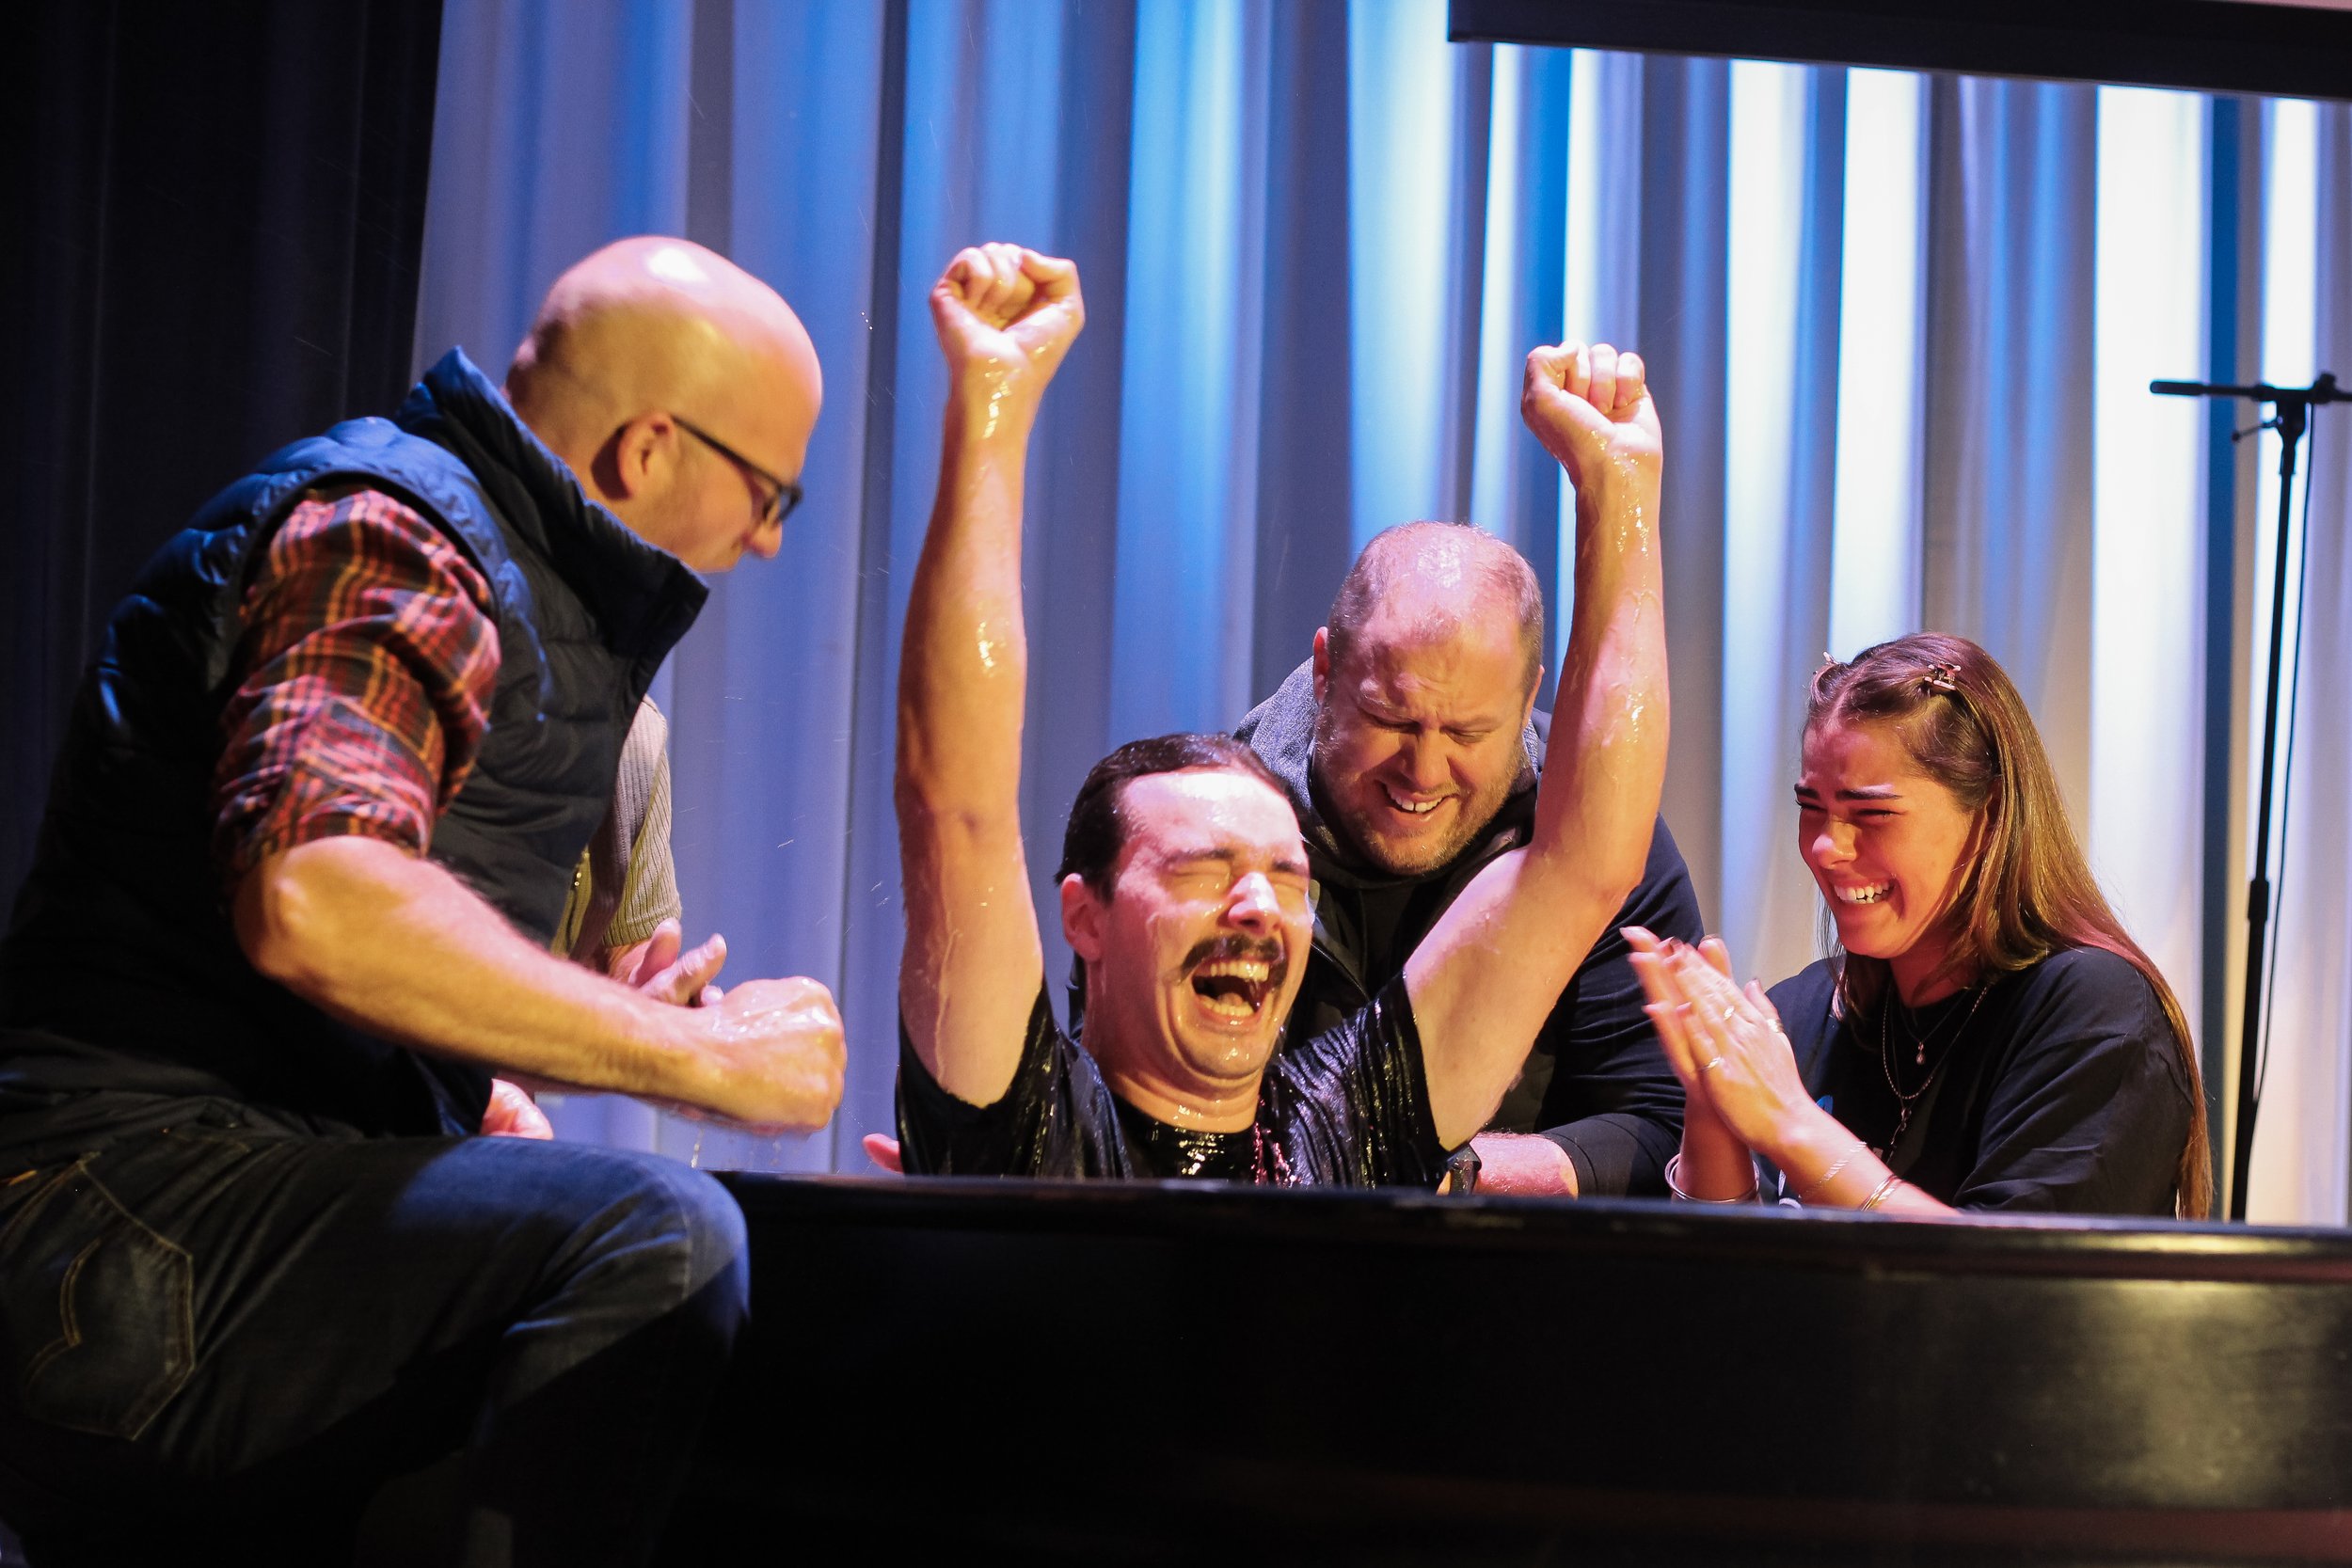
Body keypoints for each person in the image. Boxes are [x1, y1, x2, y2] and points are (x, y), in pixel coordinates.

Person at [0, 236, 847, 1564]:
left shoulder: (503, 578)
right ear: (648, 450)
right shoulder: (398, 535)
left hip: (185, 1219)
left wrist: (532, 1046)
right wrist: (707, 1058)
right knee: (656, 1235)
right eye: (771, 491)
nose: (771, 539)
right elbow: (316, 895)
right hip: (121, 1227)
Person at [892, 242, 1669, 1184]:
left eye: (1288, 876)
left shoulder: (1344, 1134)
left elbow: (1587, 859)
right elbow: (955, 805)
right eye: (1203, 869)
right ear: (1084, 915)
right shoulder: (1022, 1132)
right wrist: (991, 405)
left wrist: (1621, 492)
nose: (1258, 907)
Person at [1627, 632, 2211, 1217]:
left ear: (1989, 816)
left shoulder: (2095, 1011)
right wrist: (1712, 1105)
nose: (1826, 847)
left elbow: (2007, 1272)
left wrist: (1793, 1125)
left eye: (1872, 813)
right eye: (1811, 807)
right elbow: (1722, 1271)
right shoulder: (1803, 1011)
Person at [1234, 526, 1704, 1197]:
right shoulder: (1201, 831)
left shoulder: (1604, 845)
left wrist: (1449, 1171)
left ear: (1528, 698)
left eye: (1467, 732)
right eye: (1391, 718)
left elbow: (1666, 1132)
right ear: (1325, 669)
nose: (1423, 772)